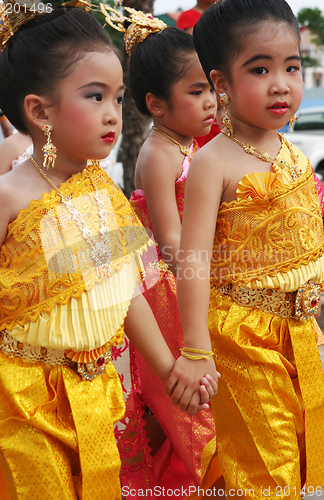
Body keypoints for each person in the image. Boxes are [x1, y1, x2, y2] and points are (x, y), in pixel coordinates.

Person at [0, 5, 219, 500]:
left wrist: (172, 371)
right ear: (39, 111)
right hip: (23, 400)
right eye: (95, 96)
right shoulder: (9, 197)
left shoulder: (104, 193)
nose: (113, 114)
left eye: (118, 98)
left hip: (100, 392)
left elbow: (125, 294)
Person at [177, 0, 324, 497]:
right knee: (267, 466)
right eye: (259, 69)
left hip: (299, 332)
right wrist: (196, 350)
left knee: (304, 452)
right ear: (221, 84)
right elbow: (193, 262)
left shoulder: (291, 151)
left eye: (291, 66)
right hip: (241, 337)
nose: (280, 83)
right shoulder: (213, 163)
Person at [101, 6, 221, 495]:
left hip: (187, 280)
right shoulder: (158, 153)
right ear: (155, 104)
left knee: (193, 406)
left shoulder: (189, 143)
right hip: (163, 289)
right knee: (186, 406)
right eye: (197, 92)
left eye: (212, 88)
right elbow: (169, 244)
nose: (212, 101)